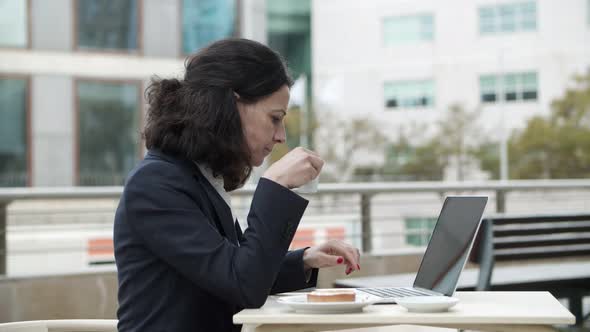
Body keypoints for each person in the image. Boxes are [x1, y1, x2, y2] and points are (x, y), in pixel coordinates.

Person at [113, 38, 361, 332]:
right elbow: (244, 286)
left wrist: (304, 261)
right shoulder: (154, 184)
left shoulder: (200, 176)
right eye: (275, 118)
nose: (281, 135)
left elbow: (232, 272)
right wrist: (274, 187)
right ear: (231, 105)